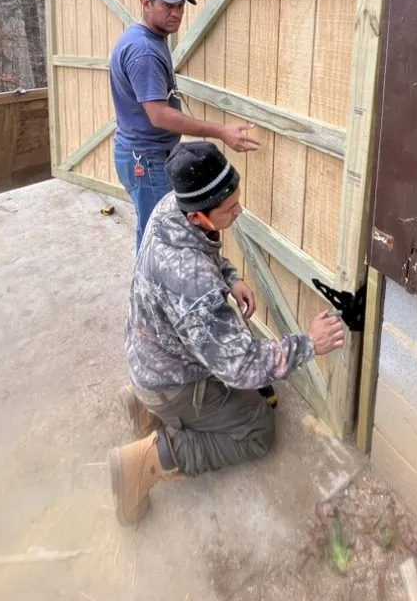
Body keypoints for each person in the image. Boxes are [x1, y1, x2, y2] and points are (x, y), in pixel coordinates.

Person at [108, 141, 345, 526]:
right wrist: (308, 344)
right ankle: (148, 459)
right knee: (257, 428)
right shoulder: (195, 287)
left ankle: (143, 403)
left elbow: (205, 252)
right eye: (229, 209)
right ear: (200, 215)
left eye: (237, 200)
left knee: (244, 391)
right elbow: (243, 368)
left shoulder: (172, 207)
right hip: (171, 378)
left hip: (149, 352)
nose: (239, 211)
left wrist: (230, 277)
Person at [109, 0, 259, 250]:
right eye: (167, 5)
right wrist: (219, 131)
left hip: (140, 154)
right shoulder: (144, 51)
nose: (175, 13)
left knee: (153, 227)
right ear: (145, 3)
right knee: (158, 236)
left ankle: (149, 288)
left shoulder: (146, 37)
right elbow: (159, 115)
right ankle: (148, 292)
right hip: (147, 160)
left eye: (179, 6)